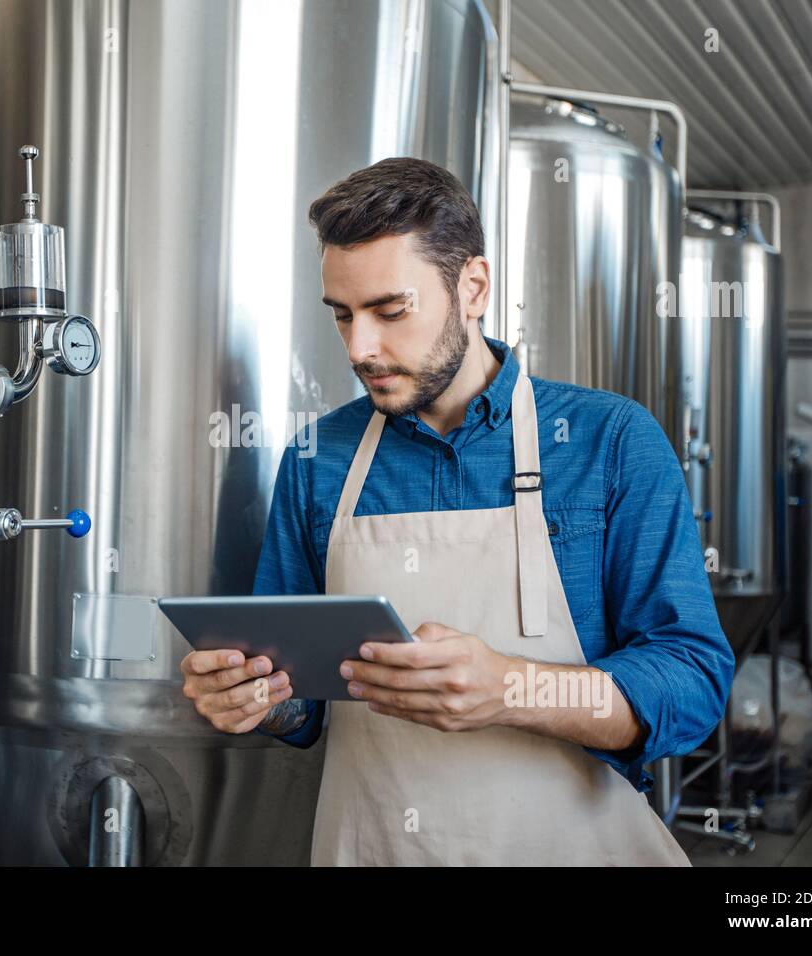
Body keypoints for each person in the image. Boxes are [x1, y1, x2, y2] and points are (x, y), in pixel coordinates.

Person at [179, 157, 734, 865]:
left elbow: (692, 683)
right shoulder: (319, 460)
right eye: (343, 316)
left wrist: (512, 690)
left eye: (390, 310)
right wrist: (252, 697)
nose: (360, 348)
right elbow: (301, 704)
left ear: (473, 287)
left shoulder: (611, 442)